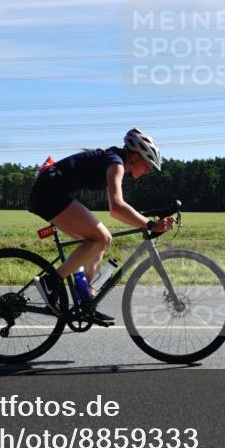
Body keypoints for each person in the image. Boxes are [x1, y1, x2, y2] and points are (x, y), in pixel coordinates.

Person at [27, 127, 175, 325]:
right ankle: (50, 282)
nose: (147, 171)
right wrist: (150, 224)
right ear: (135, 157)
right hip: (48, 192)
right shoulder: (116, 164)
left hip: (49, 191)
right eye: (147, 166)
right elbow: (117, 207)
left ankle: (86, 301)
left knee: (97, 242)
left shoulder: (115, 161)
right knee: (102, 237)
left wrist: (146, 218)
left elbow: (121, 206)